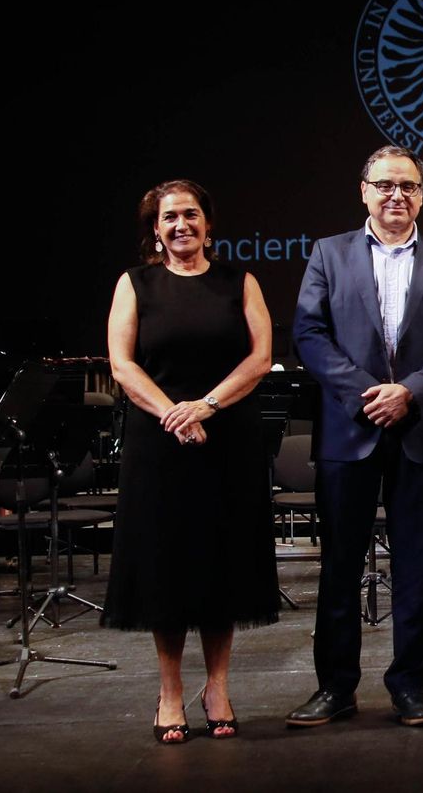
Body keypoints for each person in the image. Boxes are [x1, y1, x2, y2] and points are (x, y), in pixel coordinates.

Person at [288, 146, 423, 728]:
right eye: (386, 185)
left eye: (408, 186)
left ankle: (410, 685)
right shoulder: (329, 253)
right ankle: (335, 688)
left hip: (419, 429)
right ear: (364, 190)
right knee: (340, 566)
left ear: (422, 196)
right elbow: (309, 334)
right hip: (350, 428)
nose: (397, 195)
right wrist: (369, 393)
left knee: (416, 565)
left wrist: (409, 392)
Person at [104, 179, 279, 743]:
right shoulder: (136, 284)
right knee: (168, 569)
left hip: (228, 437)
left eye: (191, 214)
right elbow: (123, 365)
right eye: (169, 217)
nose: (181, 224)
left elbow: (261, 357)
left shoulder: (239, 282)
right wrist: (174, 415)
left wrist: (205, 406)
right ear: (155, 229)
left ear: (208, 223)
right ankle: (171, 691)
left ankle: (218, 687)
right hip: (159, 444)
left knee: (221, 564)